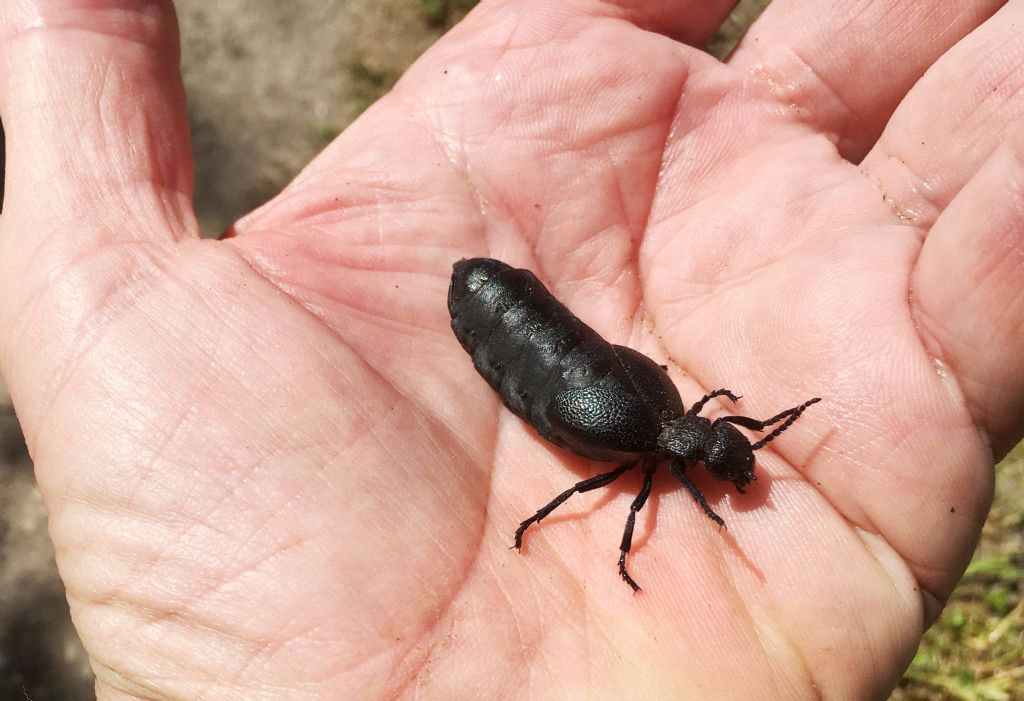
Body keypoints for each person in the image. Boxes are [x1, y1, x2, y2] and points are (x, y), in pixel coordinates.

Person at [1, 1, 1021, 698]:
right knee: (592, 444)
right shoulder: (658, 434)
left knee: (593, 444)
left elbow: (679, 424)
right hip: (537, 335)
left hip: (549, 347)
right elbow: (661, 439)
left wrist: (733, 426)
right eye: (732, 445)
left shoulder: (664, 429)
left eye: (729, 450)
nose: (736, 453)